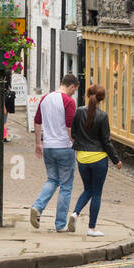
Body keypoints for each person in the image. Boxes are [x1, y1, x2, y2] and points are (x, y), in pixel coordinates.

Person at [30, 74, 80, 232]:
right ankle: (60, 224)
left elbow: (37, 121)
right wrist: (76, 144)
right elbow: (70, 126)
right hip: (64, 147)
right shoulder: (68, 101)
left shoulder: (45, 98)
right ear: (71, 86)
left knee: (52, 179)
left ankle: (37, 207)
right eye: (75, 90)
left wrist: (38, 143)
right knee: (66, 186)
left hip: (49, 147)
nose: (74, 93)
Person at [71, 83, 121, 237]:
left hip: (82, 157)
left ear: (87, 95)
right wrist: (116, 160)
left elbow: (73, 133)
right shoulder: (103, 116)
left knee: (88, 189)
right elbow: (106, 141)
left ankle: (75, 214)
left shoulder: (79, 112)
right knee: (96, 192)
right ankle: (91, 228)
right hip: (99, 158)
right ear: (102, 98)